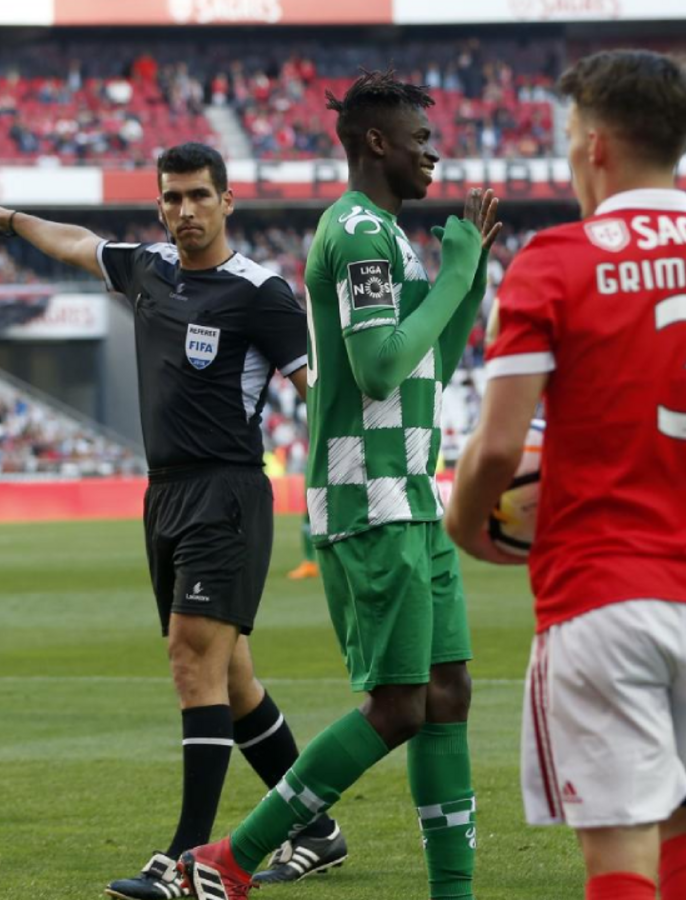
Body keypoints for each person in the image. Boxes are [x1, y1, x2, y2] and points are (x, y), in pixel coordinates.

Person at [445, 50, 686, 900]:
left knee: (616, 854)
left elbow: (499, 449)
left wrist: (467, 526)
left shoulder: (555, 262)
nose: (570, 155)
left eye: (571, 137)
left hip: (603, 594)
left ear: (598, 144)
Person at [0, 142, 345, 899]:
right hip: (162, 494)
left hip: (227, 492)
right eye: (172, 198)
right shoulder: (149, 268)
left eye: (200, 196)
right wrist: (8, 220)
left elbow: (318, 393)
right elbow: (76, 243)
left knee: (189, 660)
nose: (185, 211)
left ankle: (190, 859)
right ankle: (317, 826)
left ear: (228, 201)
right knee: (230, 681)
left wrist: (346, 481)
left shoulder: (261, 293)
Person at [179, 70, 500, 900]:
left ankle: (452, 893)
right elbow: (381, 367)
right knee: (397, 706)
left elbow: (437, 359)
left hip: (414, 495)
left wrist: (474, 279)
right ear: (376, 144)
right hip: (368, 497)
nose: (435, 155)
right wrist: (457, 279)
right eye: (421, 142)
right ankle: (233, 861)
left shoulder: (391, 240)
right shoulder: (355, 232)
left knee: (447, 692)